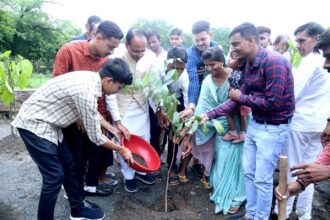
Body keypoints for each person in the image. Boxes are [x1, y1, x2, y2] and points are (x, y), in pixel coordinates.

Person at [11, 59, 134, 220]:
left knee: (69, 165)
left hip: (51, 125)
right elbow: (96, 137)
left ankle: (77, 209)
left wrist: (112, 128)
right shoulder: (86, 91)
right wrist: (122, 149)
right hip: (35, 124)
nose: (117, 92)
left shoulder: (91, 80)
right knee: (54, 177)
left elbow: (91, 112)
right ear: (109, 80)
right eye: (119, 87)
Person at [198, 23, 294, 219]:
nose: (232, 49)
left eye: (236, 43)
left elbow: (272, 103)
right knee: (249, 174)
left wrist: (240, 97)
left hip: (273, 128)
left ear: (251, 41)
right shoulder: (249, 65)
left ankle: (260, 217)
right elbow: (235, 101)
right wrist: (208, 115)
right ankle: (250, 215)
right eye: (231, 44)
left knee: (262, 179)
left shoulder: (274, 62)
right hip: (256, 125)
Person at [53, 20, 127, 199]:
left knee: (95, 150)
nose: (112, 51)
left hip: (94, 114)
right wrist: (80, 116)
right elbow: (57, 85)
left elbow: (106, 94)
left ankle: (87, 188)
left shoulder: (106, 61)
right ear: (98, 37)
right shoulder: (70, 50)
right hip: (70, 116)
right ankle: (73, 193)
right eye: (110, 46)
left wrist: (111, 122)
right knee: (75, 156)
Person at [275, 22, 329, 220]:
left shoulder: (311, 61)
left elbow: (292, 93)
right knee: (311, 172)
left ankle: (283, 212)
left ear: (317, 38)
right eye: (296, 40)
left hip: (301, 123)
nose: (297, 45)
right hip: (321, 125)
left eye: (301, 40)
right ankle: (304, 215)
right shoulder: (324, 60)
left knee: (293, 168)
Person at [183, 47, 246, 214]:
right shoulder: (207, 81)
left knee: (236, 164)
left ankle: (237, 197)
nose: (210, 69)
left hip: (237, 128)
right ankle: (222, 191)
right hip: (218, 128)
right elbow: (201, 109)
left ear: (222, 61)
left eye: (213, 64)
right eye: (206, 65)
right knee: (221, 163)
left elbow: (243, 104)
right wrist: (188, 132)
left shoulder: (236, 75)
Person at [107, 28, 157, 193]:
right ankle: (128, 176)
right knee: (125, 142)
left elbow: (153, 85)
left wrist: (158, 110)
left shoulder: (150, 56)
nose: (140, 54)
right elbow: (110, 93)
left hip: (141, 105)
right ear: (127, 45)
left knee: (144, 140)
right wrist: (116, 120)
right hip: (122, 107)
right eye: (136, 51)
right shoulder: (116, 58)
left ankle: (142, 170)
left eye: (143, 50)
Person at [180, 20, 219, 178]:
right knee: (192, 132)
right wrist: (191, 106)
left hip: (214, 98)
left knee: (209, 136)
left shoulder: (218, 49)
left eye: (203, 39)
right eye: (196, 40)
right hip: (196, 99)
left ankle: (201, 166)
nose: (200, 43)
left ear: (211, 35)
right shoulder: (192, 54)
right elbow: (194, 82)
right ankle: (183, 168)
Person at [155, 46, 189, 185]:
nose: (179, 72)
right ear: (168, 63)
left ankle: (171, 165)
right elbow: (156, 92)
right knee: (156, 131)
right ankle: (155, 163)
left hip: (177, 102)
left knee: (175, 135)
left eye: (182, 68)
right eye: (175, 68)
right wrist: (160, 112)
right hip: (158, 101)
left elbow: (186, 99)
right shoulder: (158, 68)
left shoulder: (185, 75)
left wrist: (186, 120)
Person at [221, 50, 249, 143]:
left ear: (240, 63)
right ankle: (242, 134)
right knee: (242, 116)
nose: (228, 59)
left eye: (232, 58)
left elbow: (233, 85)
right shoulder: (240, 72)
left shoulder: (236, 74)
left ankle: (233, 132)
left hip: (236, 98)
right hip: (242, 98)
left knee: (229, 113)